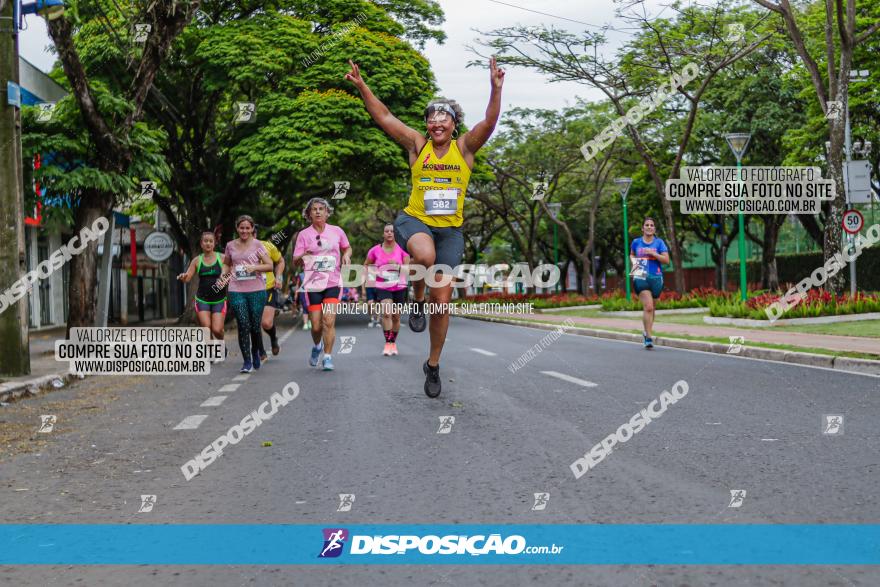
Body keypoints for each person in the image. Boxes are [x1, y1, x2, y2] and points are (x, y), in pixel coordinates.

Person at [345, 56, 505, 397]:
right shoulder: (418, 145)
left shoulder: (465, 149)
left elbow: (490, 122)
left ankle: (432, 364)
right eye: (431, 118)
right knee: (425, 256)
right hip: (414, 221)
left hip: (450, 231)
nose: (436, 123)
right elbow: (385, 117)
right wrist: (362, 86)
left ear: (454, 124)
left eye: (442, 117)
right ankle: (415, 297)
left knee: (443, 303)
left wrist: (495, 88)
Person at [292, 198, 352, 371]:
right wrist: (305, 254)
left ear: (327, 212)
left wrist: (347, 255)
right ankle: (317, 346)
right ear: (309, 214)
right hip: (313, 284)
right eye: (314, 209)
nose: (318, 212)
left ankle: (327, 356)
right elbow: (295, 262)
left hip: (333, 282)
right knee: (316, 325)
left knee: (329, 321)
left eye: (321, 209)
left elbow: (347, 247)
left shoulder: (337, 231)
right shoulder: (303, 235)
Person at [222, 215, 273, 372]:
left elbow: (270, 265)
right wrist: (223, 274)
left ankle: (255, 351)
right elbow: (226, 264)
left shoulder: (258, 245)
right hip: (236, 289)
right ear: (237, 228)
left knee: (255, 326)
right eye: (241, 227)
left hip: (256, 290)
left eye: (247, 228)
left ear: (252, 229)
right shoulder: (230, 245)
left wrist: (255, 268)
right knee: (243, 324)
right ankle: (247, 362)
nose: (244, 230)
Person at [177, 231, 227, 360]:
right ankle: (211, 352)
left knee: (217, 329)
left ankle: (221, 343)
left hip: (219, 299)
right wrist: (183, 277)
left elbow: (231, 274)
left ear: (215, 243)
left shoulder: (222, 258)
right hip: (202, 299)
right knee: (206, 326)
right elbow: (188, 277)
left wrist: (224, 279)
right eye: (205, 241)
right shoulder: (197, 260)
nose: (208, 243)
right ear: (201, 243)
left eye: (211, 241)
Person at [365, 223, 410, 356]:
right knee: (386, 313)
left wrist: (398, 266)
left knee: (396, 317)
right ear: (383, 234)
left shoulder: (403, 251)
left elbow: (408, 270)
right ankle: (388, 343)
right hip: (382, 286)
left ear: (395, 234)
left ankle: (393, 343)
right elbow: (366, 265)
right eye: (387, 231)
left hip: (400, 286)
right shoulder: (374, 251)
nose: (389, 233)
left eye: (392, 231)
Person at [630, 217, 669, 349]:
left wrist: (654, 254)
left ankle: (647, 332)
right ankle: (649, 338)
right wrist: (635, 263)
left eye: (652, 225)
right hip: (640, 274)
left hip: (656, 277)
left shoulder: (659, 243)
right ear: (642, 228)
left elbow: (666, 260)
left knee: (653, 309)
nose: (649, 227)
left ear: (654, 229)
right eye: (646, 225)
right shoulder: (636, 242)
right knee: (648, 307)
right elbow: (632, 254)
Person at [257, 228, 285, 360]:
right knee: (254, 323)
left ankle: (273, 338)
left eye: (250, 230)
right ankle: (261, 351)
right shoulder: (238, 248)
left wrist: (278, 277)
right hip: (248, 290)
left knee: (266, 323)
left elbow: (280, 261)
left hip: (267, 288)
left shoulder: (267, 246)